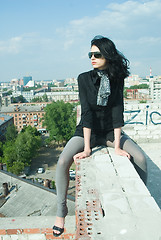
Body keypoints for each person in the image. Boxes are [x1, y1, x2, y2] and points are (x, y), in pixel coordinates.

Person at [53, 35, 147, 237]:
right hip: (87, 131)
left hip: (109, 132)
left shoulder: (117, 78)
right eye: (90, 54)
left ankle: (137, 203)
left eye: (97, 54)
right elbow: (86, 112)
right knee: (62, 162)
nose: (92, 58)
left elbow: (117, 110)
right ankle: (60, 212)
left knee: (140, 158)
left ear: (107, 56)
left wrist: (118, 145)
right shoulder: (83, 78)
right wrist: (87, 148)